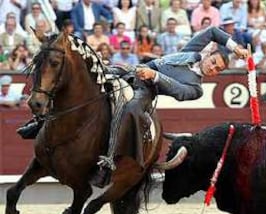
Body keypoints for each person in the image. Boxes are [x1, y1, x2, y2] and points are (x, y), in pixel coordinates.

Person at [17, 26, 249, 189]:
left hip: (147, 90)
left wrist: (154, 76)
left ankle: (108, 161)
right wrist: (235, 47)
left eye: (217, 69)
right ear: (210, 55)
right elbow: (212, 32)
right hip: (133, 70)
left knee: (130, 111)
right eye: (214, 62)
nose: (213, 68)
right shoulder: (194, 51)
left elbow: (178, 89)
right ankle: (39, 123)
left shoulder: (196, 87)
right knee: (84, 79)